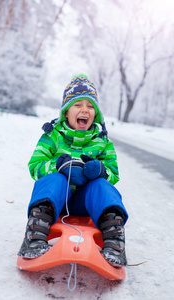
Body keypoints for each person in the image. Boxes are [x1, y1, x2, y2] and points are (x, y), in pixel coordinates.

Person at [18, 73, 128, 267]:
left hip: (87, 204)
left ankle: (115, 242)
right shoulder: (52, 136)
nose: (84, 110)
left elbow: (113, 174)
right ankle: (34, 236)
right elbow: (35, 166)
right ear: (66, 112)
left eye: (90, 106)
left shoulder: (103, 142)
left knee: (102, 186)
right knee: (54, 180)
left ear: (96, 114)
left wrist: (101, 171)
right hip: (56, 203)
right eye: (78, 105)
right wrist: (57, 166)